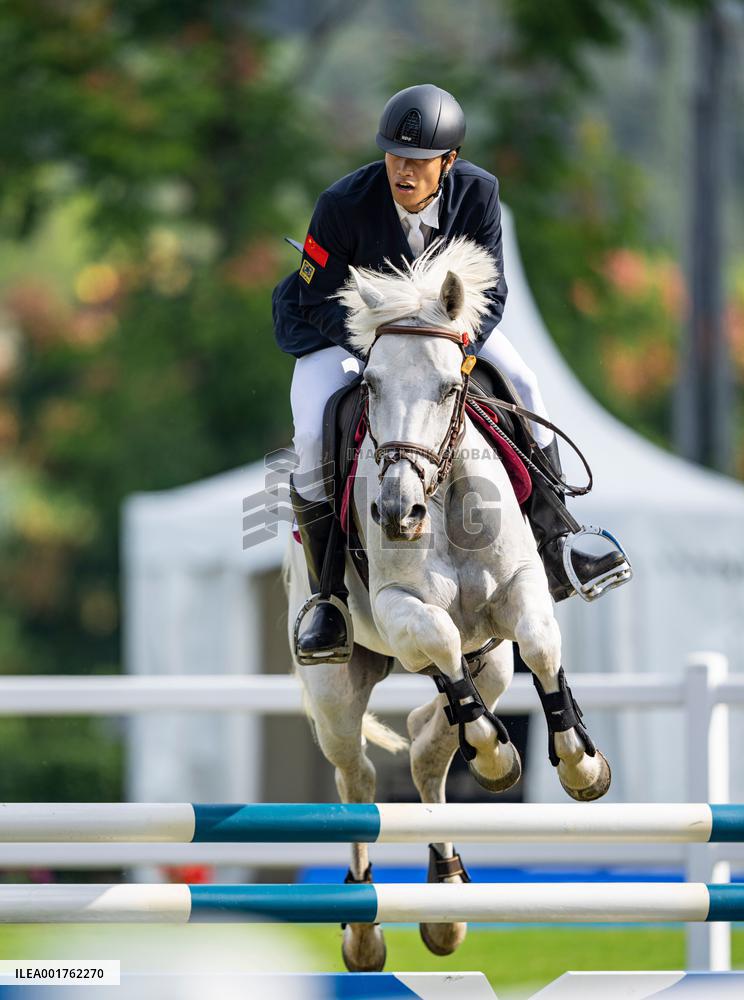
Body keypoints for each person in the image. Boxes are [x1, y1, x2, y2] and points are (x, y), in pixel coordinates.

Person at [272, 83, 631, 663]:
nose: (403, 170)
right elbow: (315, 299)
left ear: (449, 161)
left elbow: (493, 294)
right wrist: (383, 348)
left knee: (526, 383)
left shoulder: (478, 194)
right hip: (337, 334)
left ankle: (559, 538)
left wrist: (457, 350)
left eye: (418, 161)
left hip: (446, 335)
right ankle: (328, 597)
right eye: (395, 156)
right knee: (314, 432)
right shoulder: (342, 204)